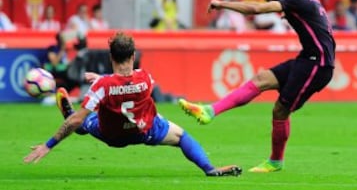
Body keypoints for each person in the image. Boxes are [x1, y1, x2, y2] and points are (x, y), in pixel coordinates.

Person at [179, 0, 335, 173]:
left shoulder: (295, 2)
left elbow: (255, 9)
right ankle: (209, 111)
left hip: (318, 65)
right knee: (261, 79)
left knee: (280, 110)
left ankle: (275, 162)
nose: (266, 0)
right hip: (307, 59)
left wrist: (222, 4)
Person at [24, 32, 241, 177]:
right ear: (134, 55)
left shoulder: (103, 85)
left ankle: (72, 116)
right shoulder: (146, 78)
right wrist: (103, 78)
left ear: (111, 56)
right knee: (182, 137)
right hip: (145, 130)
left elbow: (113, 85)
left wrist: (48, 145)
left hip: (111, 135)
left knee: (81, 122)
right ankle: (210, 169)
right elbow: (127, 83)